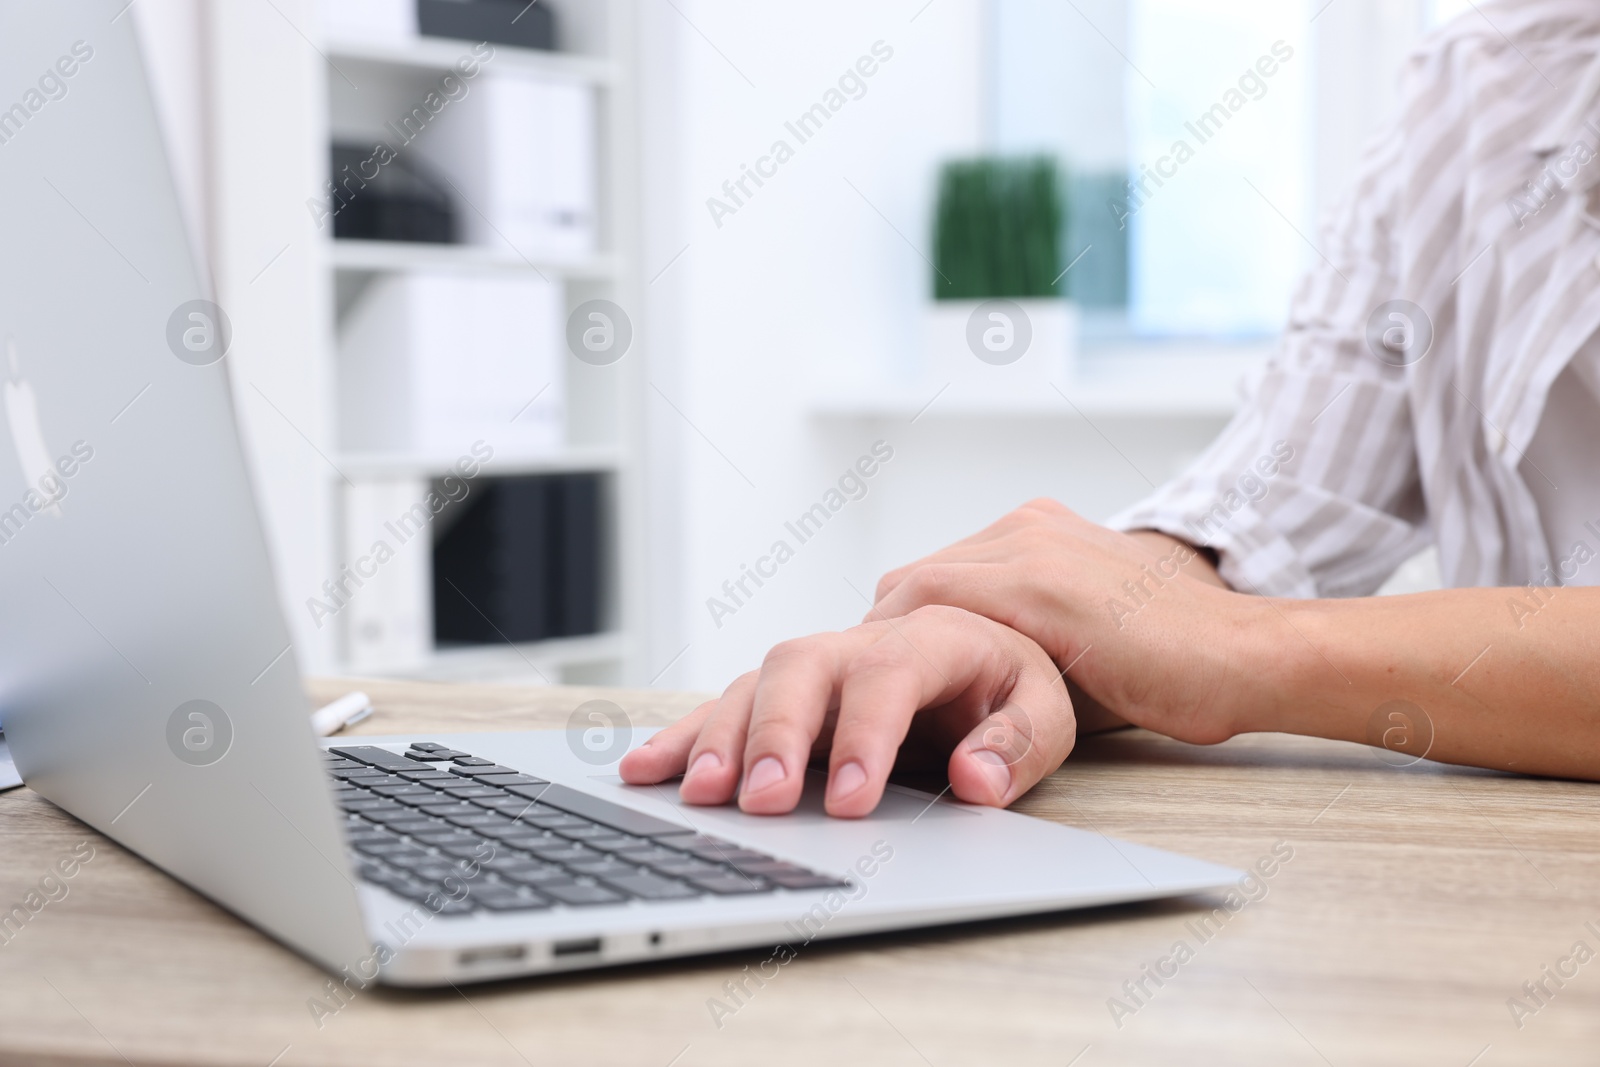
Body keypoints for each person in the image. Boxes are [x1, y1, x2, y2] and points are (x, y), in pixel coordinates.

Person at [621, 0, 1600, 815]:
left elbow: (1212, 631)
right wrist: (1006, 641)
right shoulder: (1477, 79)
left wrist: (1236, 652)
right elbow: (1259, 511)